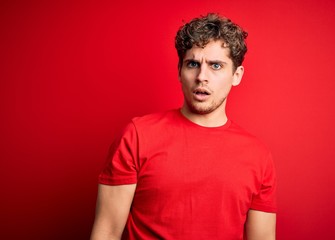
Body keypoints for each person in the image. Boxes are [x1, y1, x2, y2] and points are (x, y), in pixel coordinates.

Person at [90, 13, 277, 240]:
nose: (202, 77)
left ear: (236, 75)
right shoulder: (138, 135)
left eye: (216, 65)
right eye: (193, 64)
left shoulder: (258, 156)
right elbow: (107, 232)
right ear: (180, 70)